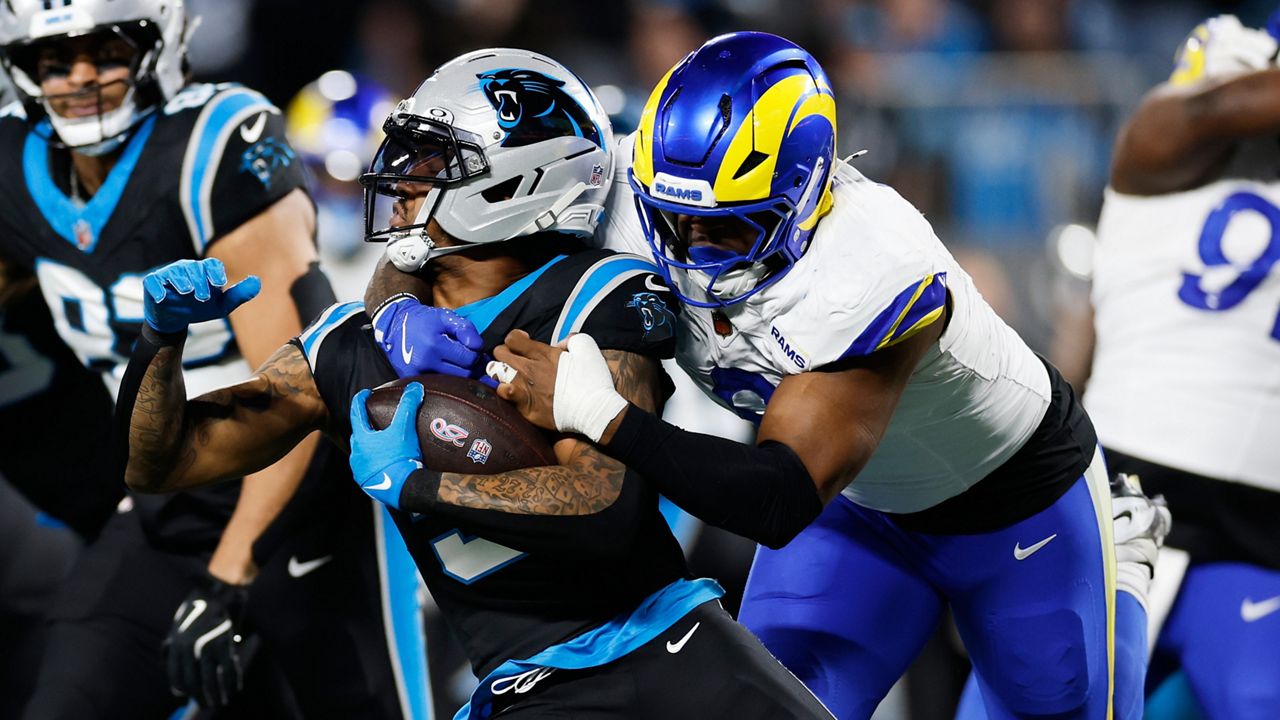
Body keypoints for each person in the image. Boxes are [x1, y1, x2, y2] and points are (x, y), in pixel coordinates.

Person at [449, 32, 1166, 719]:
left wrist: (605, 416)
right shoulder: (629, 184)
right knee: (770, 706)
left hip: (1011, 502)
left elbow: (780, 496)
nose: (694, 251)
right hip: (857, 506)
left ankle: (1121, 563)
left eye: (729, 229)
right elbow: (441, 236)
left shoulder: (871, 267)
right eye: (675, 222)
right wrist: (391, 313)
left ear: (804, 194)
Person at [116, 47, 835, 720]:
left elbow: (605, 504)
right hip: (526, 686)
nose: (397, 177)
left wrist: (418, 484)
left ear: (520, 176)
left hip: (669, 650)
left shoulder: (598, 297)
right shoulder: (350, 343)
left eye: (431, 159)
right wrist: (159, 344)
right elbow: (162, 459)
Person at [0, 1, 428, 717]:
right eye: (53, 58)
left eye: (105, 49)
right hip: (171, 497)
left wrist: (231, 575)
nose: (79, 76)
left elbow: (296, 395)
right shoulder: (15, 165)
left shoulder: (216, 143)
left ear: (159, 42)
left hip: (307, 484)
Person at [1081, 14, 1280, 718]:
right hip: (1130, 486)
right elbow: (1212, 107)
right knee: (1048, 698)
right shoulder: (1164, 139)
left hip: (1260, 527)